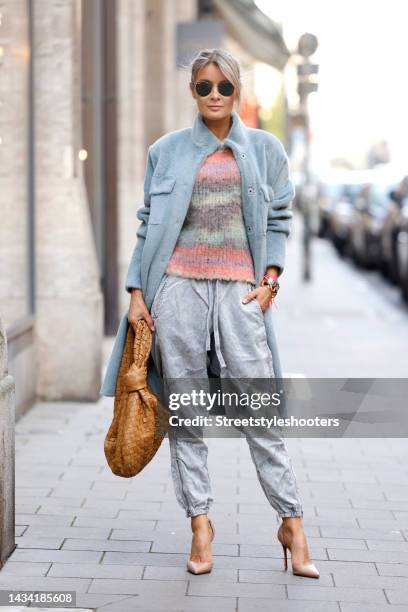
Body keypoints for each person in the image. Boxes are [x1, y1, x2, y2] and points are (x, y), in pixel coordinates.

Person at [124, 48, 319, 578]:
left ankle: (292, 521)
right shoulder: (165, 151)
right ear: (193, 91)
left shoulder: (264, 149)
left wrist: (269, 282)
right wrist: (138, 292)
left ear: (236, 90)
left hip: (239, 292)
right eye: (204, 87)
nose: (214, 96)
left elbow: (279, 218)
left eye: (224, 88)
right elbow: (147, 225)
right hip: (178, 289)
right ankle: (201, 525)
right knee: (186, 412)